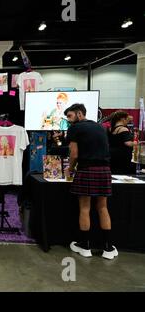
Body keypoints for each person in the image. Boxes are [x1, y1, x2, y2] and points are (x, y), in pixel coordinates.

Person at [63, 103, 118, 260]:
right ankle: (107, 248)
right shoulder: (100, 127)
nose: (69, 120)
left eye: (70, 116)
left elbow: (74, 154)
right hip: (105, 170)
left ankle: (85, 246)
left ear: (80, 114)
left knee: (85, 208)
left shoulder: (75, 128)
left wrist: (70, 169)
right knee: (102, 207)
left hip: (86, 169)